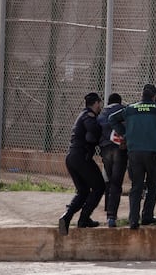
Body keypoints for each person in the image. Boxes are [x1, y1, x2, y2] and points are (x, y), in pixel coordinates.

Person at [109, 84, 156, 229]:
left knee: (136, 187)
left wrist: (125, 132)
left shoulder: (130, 108)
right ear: (154, 97)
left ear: (142, 96)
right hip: (153, 151)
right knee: (153, 185)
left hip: (134, 152)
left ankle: (133, 220)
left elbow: (112, 118)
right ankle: (147, 216)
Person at [59, 92, 106, 236]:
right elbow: (93, 130)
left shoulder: (83, 114)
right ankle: (84, 219)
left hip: (72, 157)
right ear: (96, 103)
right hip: (80, 158)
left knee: (84, 191)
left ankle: (67, 217)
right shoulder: (88, 116)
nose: (100, 106)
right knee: (99, 187)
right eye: (100, 103)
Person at [97, 93, 128, 228]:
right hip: (120, 149)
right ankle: (111, 216)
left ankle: (107, 207)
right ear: (119, 101)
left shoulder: (101, 113)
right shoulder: (124, 110)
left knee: (109, 179)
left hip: (105, 149)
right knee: (116, 183)